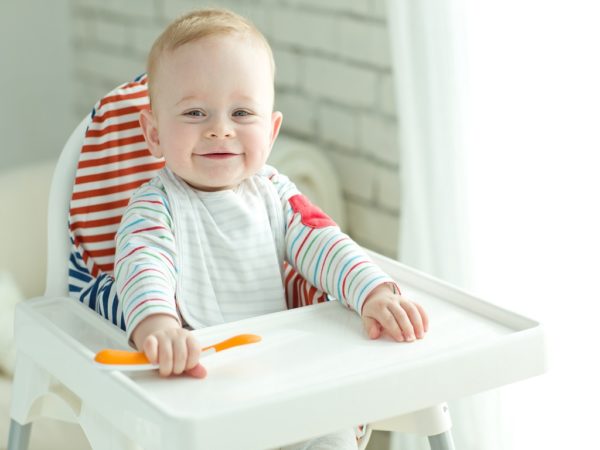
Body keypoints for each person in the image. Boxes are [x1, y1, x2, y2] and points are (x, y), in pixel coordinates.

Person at [114, 8, 429, 449]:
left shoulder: (275, 194)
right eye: (195, 113)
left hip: (284, 379)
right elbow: (143, 262)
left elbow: (324, 242)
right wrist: (159, 326)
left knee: (331, 432)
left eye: (242, 112)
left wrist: (373, 292)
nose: (220, 130)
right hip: (201, 385)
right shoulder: (155, 206)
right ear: (154, 133)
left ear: (272, 129)